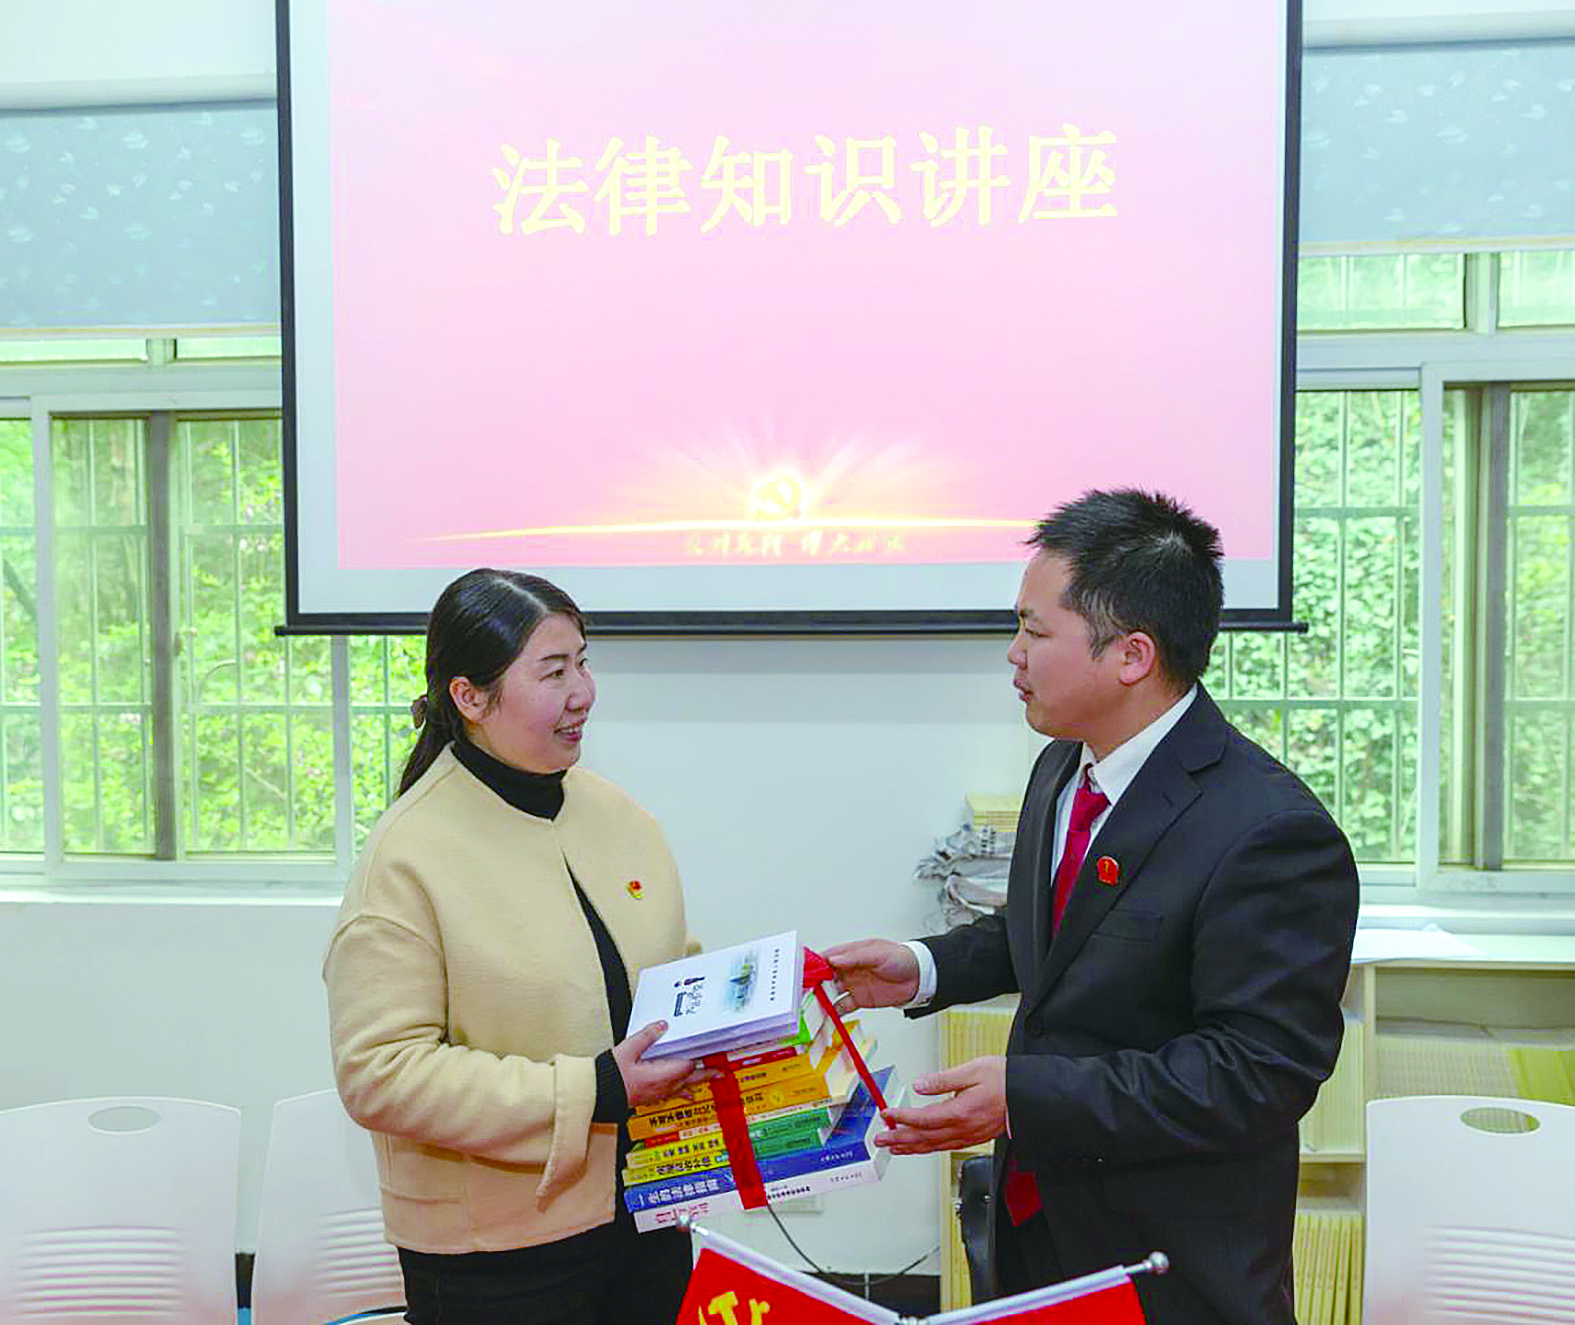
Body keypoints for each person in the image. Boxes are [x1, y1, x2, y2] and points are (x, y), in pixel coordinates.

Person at [826, 490, 1359, 1325]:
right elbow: (1061, 935)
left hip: (1164, 1260)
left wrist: (1024, 1097)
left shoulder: (1268, 830)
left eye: (1034, 632)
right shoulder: (1062, 767)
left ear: (1131, 655)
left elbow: (1253, 1072)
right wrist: (923, 966)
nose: (1012, 654)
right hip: (1037, 1224)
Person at [325, 569, 699, 1325]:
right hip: (495, 1257)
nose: (582, 692)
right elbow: (380, 1073)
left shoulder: (617, 815)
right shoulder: (407, 855)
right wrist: (592, 1088)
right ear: (470, 697)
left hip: (649, 1214)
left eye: (583, 663)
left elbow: (668, 971)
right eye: (553, 672)